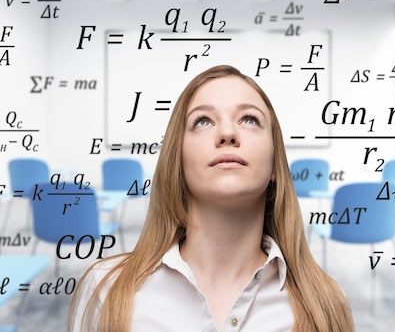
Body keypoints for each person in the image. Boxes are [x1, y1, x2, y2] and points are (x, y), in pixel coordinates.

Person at [68, 65, 354, 331]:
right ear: (177, 161)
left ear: (274, 166)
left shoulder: (326, 304)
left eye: (250, 119)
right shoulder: (104, 290)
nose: (227, 133)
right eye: (203, 121)